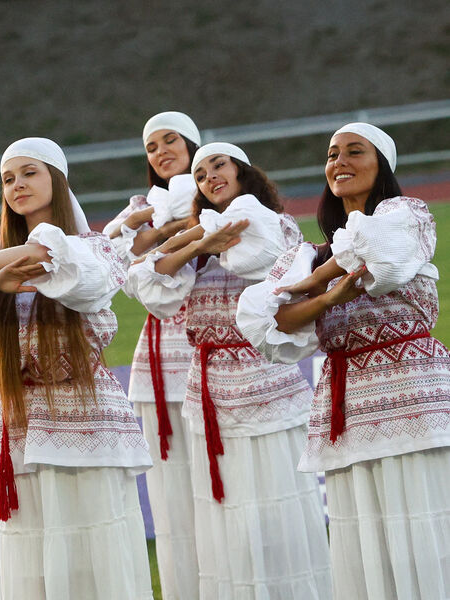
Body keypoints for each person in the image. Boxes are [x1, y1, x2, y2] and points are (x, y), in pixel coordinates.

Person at [0, 137, 154, 599]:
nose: (16, 185)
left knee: (92, 550)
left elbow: (45, 254)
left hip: (84, 421)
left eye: (29, 173)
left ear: (57, 180)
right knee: (36, 556)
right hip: (22, 424)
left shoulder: (90, 248)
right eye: (7, 179)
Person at [236, 123, 450, 600]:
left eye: (355, 151)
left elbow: (376, 255)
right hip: (349, 407)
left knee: (425, 531)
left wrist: (317, 282)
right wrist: (328, 296)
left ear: (382, 166)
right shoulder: (307, 255)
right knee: (369, 541)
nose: (340, 162)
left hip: (413, 400)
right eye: (332, 155)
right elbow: (268, 318)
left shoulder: (405, 217)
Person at [127, 142, 331, 598]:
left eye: (218, 166)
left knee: (272, 507)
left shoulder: (275, 225)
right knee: (227, 515)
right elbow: (145, 277)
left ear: (242, 171)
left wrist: (214, 237)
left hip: (264, 387)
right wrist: (201, 242)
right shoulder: (198, 243)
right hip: (209, 394)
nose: (210, 177)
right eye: (200, 175)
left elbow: (277, 272)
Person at [103, 111, 200, 600]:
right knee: (173, 496)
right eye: (151, 146)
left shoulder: (221, 192)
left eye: (170, 140)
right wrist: (162, 227)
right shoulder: (142, 207)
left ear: (192, 145)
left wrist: (164, 231)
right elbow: (115, 252)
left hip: (218, 355)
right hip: (159, 362)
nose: (160, 151)